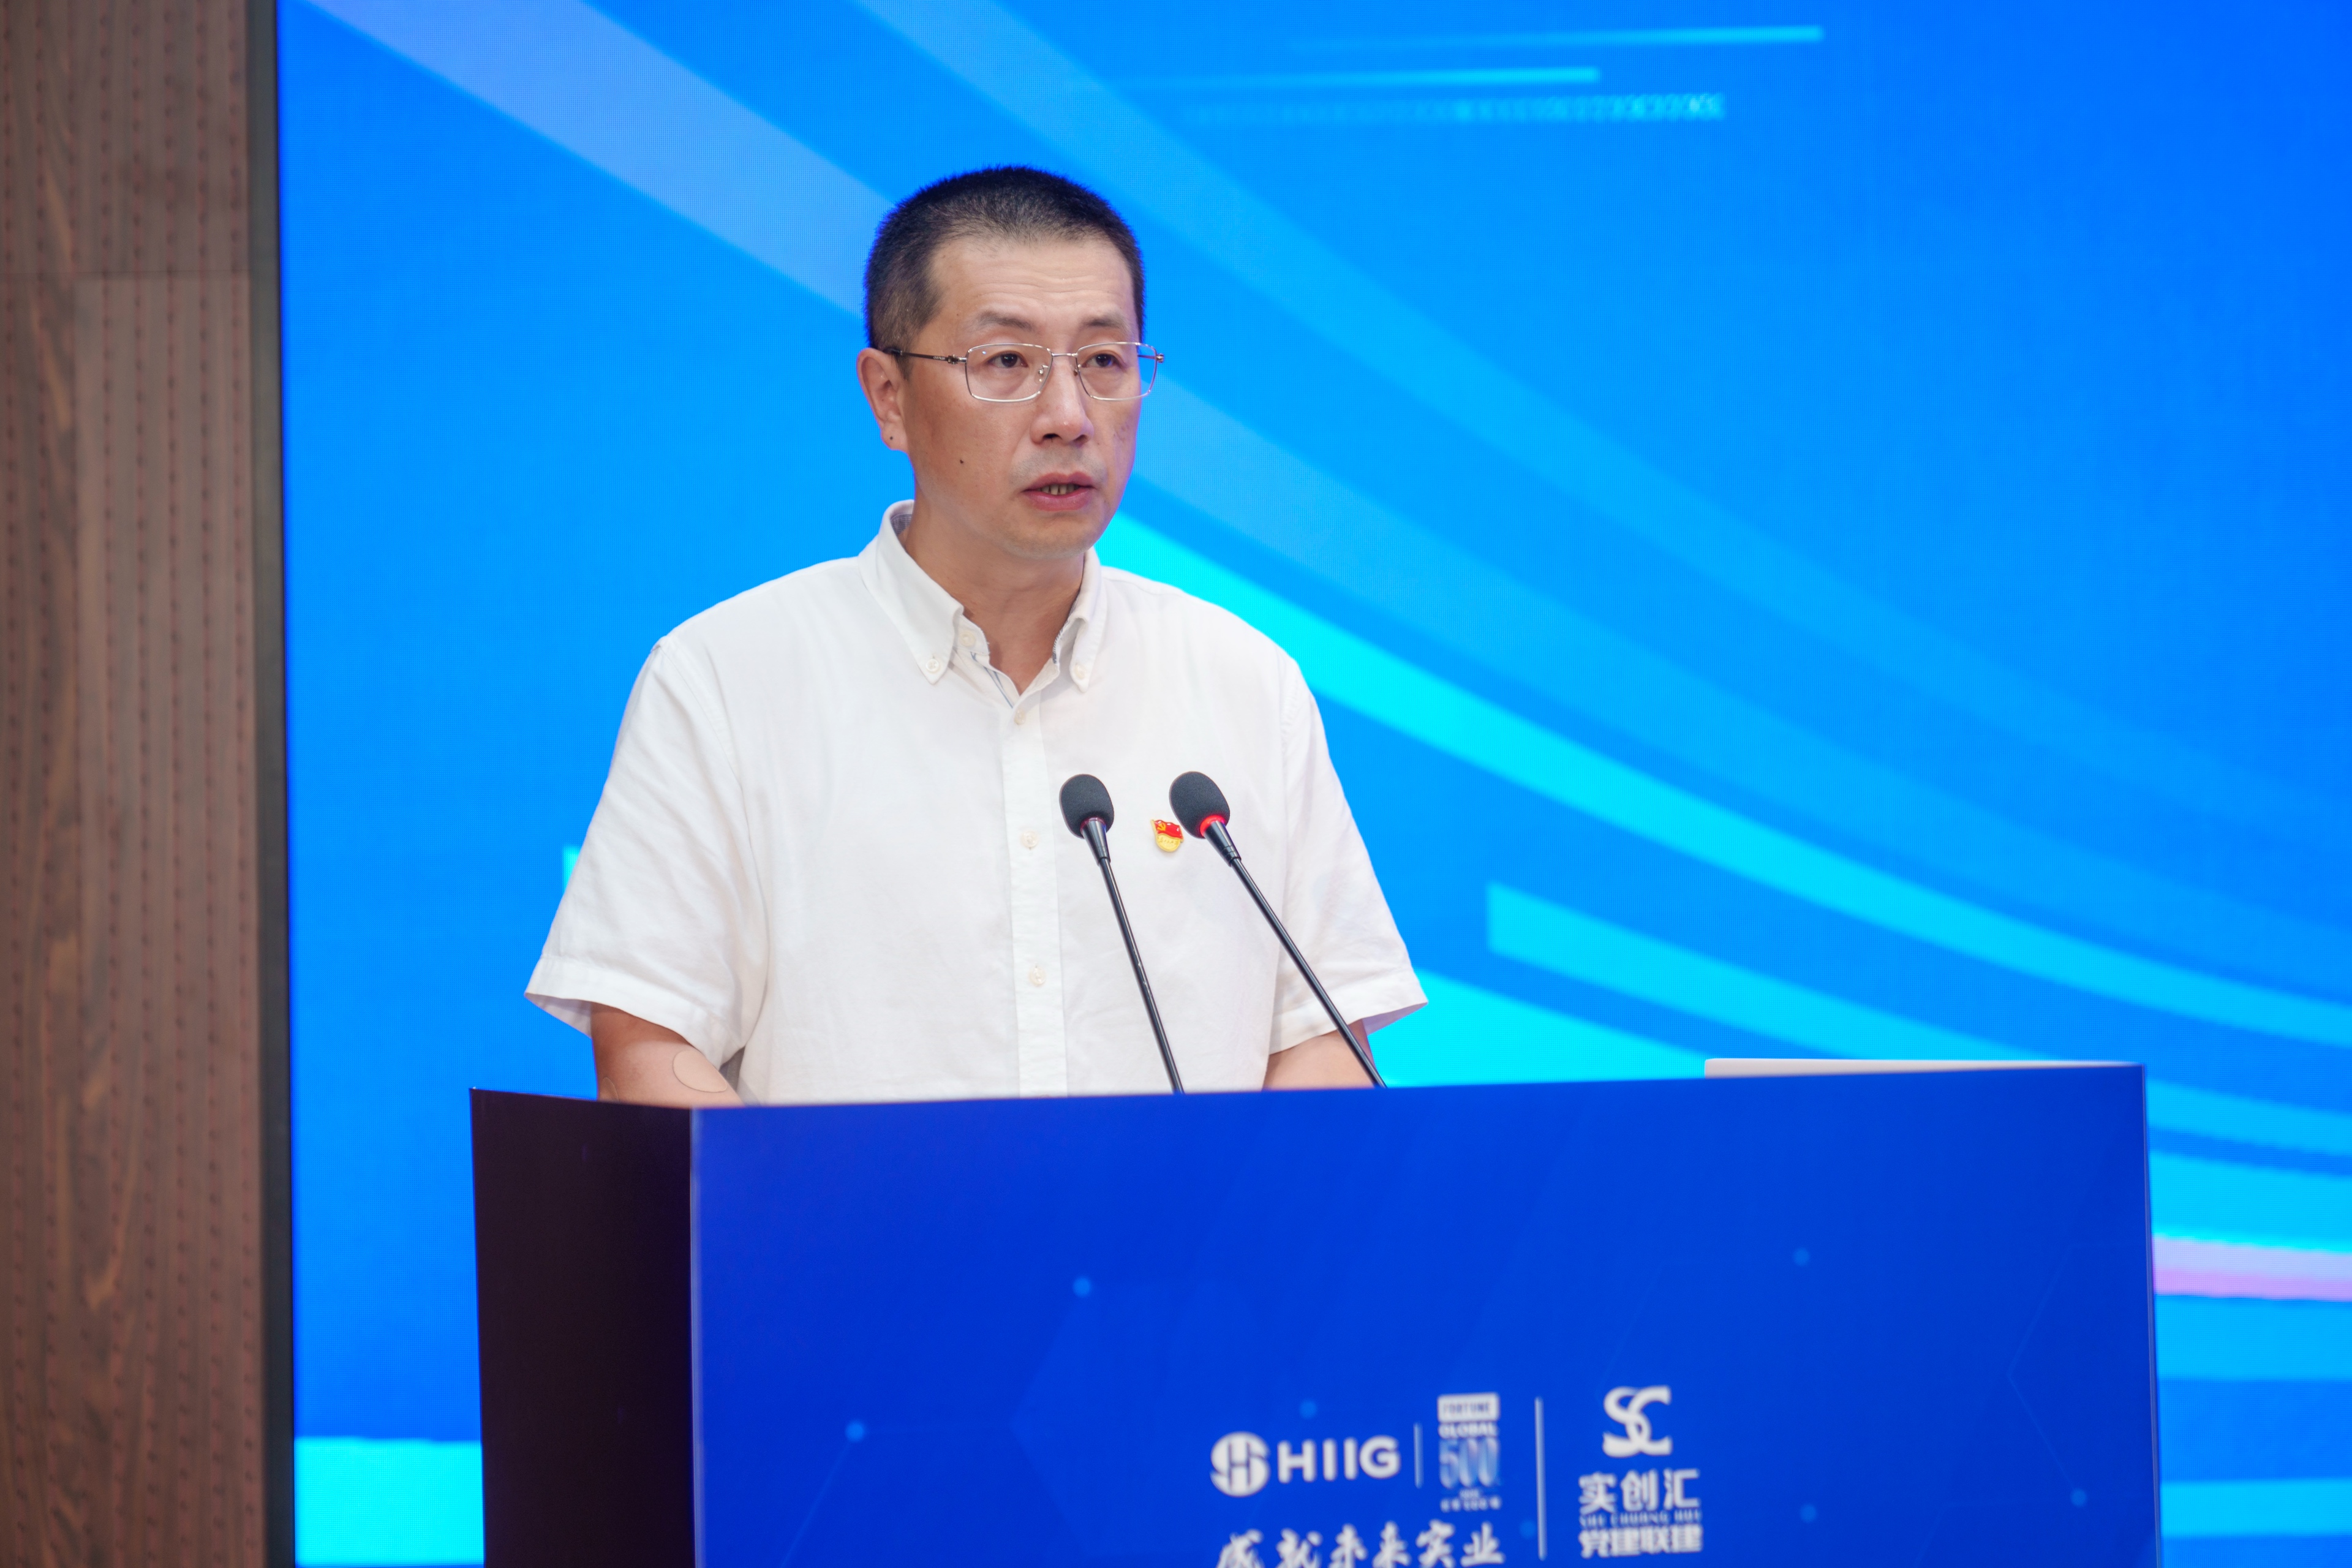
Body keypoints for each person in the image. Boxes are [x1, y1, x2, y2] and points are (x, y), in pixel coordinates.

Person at [527, 166, 1422, 1106]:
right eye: (1005, 363)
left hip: (1191, 1217)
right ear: (889, 397)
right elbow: (652, 1050)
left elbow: (1324, 1044)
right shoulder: (726, 679)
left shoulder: (1243, 681)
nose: (1068, 418)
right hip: (840, 1215)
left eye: (1104, 362)